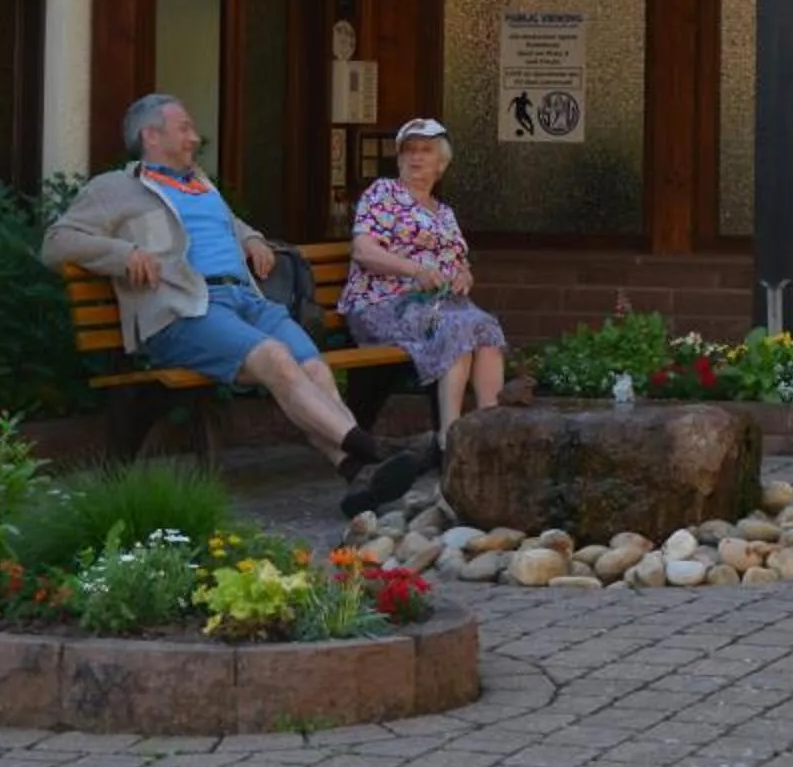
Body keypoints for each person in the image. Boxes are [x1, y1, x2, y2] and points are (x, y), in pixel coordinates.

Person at [44, 93, 421, 516]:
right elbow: (56, 242)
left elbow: (227, 223)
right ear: (151, 136)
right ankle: (373, 449)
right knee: (277, 360)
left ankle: (355, 475)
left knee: (313, 367)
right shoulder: (114, 189)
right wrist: (122, 253)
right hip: (186, 310)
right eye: (184, 128)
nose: (194, 137)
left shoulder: (199, 183)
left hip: (248, 299)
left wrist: (252, 239)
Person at [344, 118, 510, 437]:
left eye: (425, 150)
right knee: (455, 330)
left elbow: (459, 263)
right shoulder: (382, 194)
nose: (416, 157)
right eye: (409, 151)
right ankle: (449, 441)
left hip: (437, 309)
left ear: (441, 163)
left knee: (486, 328)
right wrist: (414, 271)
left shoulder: (444, 212)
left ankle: (492, 433)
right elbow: (363, 250)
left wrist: (464, 276)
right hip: (384, 306)